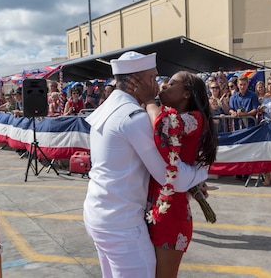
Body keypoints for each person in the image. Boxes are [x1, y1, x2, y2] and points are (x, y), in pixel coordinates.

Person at [83, 51, 208, 278]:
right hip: (122, 224)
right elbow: (172, 177)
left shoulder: (108, 108)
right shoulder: (133, 116)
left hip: (99, 215)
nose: (158, 85)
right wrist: (203, 169)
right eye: (153, 78)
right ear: (137, 81)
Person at [130, 70, 217, 278]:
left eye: (171, 84)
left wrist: (150, 100)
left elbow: (164, 127)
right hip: (157, 205)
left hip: (171, 215)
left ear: (187, 93)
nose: (164, 86)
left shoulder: (195, 119)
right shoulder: (180, 116)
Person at [229, 75, 259, 181]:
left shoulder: (253, 95)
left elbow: (255, 110)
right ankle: (238, 171)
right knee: (238, 149)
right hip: (238, 126)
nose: (242, 86)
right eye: (240, 84)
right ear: (237, 85)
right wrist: (233, 113)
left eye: (244, 84)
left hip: (249, 126)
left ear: (248, 84)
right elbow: (231, 109)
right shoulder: (234, 96)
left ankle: (247, 172)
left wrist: (245, 114)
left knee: (248, 149)